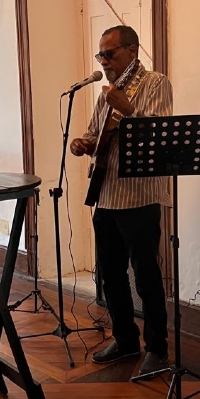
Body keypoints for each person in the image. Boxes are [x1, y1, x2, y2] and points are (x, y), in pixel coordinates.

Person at [70, 25, 173, 378]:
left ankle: (157, 348)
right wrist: (83, 143)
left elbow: (160, 135)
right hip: (106, 194)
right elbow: (93, 132)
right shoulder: (107, 93)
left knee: (146, 276)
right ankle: (125, 339)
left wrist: (128, 109)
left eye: (109, 53)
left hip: (140, 196)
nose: (103, 61)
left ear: (132, 50)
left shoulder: (155, 83)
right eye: (100, 54)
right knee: (111, 275)